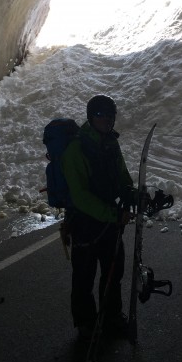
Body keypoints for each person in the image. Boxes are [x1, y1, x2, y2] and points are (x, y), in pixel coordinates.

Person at [61, 94, 134, 340]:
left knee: (114, 270)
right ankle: (85, 322)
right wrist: (112, 214)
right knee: (84, 275)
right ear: (91, 117)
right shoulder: (76, 149)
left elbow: (123, 177)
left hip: (110, 220)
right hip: (84, 222)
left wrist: (132, 194)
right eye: (100, 115)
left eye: (110, 116)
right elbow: (80, 196)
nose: (106, 120)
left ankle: (111, 315)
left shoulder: (112, 144)